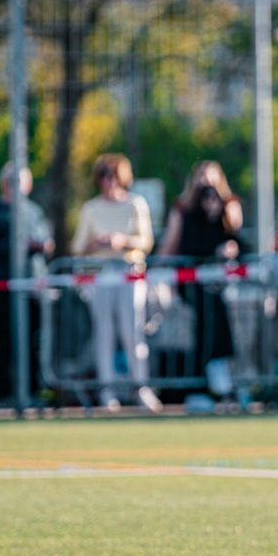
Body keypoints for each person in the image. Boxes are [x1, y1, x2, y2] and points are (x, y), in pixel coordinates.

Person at [73, 153, 158, 412]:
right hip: (99, 273)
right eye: (103, 175)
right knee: (104, 332)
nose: (108, 181)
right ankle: (106, 391)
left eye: (112, 174)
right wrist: (95, 243)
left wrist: (123, 241)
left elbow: (146, 242)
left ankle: (140, 387)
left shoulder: (135, 204)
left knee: (132, 331)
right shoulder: (90, 209)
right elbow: (77, 247)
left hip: (129, 272)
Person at [158, 160, 242, 396]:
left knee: (217, 314)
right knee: (204, 316)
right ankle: (203, 379)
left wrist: (222, 213)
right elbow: (174, 245)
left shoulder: (227, 206)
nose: (206, 186)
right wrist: (157, 271)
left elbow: (235, 236)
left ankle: (219, 371)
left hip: (219, 284)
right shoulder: (183, 210)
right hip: (192, 283)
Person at [0, 163, 53, 409]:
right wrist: (20, 246)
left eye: (20, 181)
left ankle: (33, 391)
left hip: (32, 286)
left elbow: (44, 244)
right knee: (6, 340)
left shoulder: (34, 212)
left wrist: (42, 246)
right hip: (5, 288)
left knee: (34, 341)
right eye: (11, 181)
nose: (16, 187)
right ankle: (6, 393)